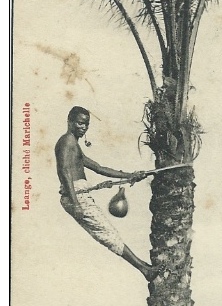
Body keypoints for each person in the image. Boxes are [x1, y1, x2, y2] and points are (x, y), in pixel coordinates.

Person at [55, 106, 158, 280]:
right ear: (70, 122)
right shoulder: (67, 141)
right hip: (76, 196)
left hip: (79, 194)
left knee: (107, 233)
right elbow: (64, 171)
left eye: (86, 124)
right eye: (80, 123)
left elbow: (99, 168)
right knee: (108, 234)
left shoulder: (74, 145)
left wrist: (130, 175)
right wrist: (75, 202)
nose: (84, 127)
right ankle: (145, 270)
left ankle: (145, 268)